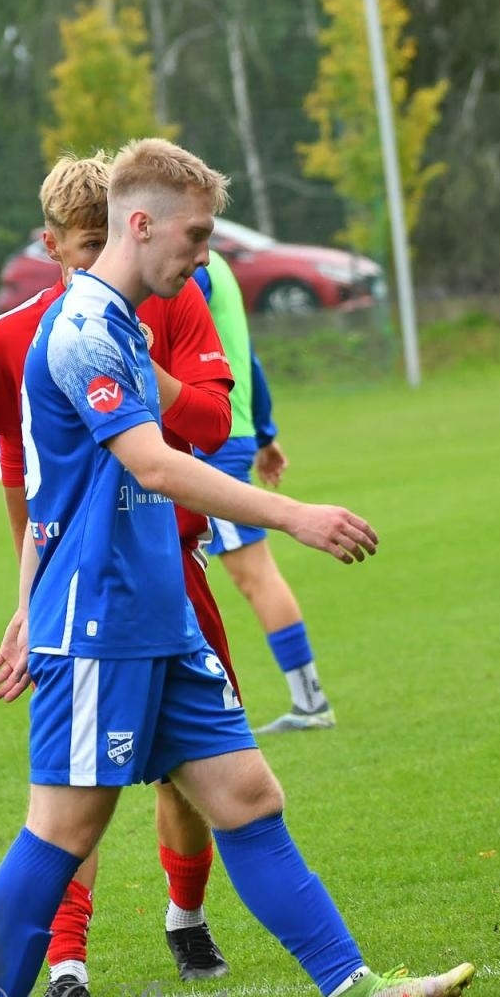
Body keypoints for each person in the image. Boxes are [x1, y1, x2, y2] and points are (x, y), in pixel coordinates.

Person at [0, 138, 472, 997]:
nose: (206, 256)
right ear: (141, 221)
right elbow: (152, 465)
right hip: (100, 622)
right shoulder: (82, 329)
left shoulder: (122, 320)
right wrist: (294, 515)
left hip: (159, 615)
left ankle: (361, 995)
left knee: (247, 798)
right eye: (197, 237)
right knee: (62, 832)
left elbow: (168, 439)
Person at [0, 153, 235, 997]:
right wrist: (30, 601)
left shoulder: (167, 294)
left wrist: (141, 372)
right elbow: (25, 473)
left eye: (104, 243)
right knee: (66, 796)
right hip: (79, 589)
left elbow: (210, 420)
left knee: (202, 779)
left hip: (175, 565)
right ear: (53, 244)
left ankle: (188, 917)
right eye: (78, 248)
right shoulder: (21, 332)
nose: (94, 265)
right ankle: (66, 962)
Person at [195, 250, 335, 734]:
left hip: (210, 440)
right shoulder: (214, 262)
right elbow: (243, 353)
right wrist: (266, 433)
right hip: (229, 433)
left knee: (252, 573)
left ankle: (310, 702)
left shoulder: (188, 268)